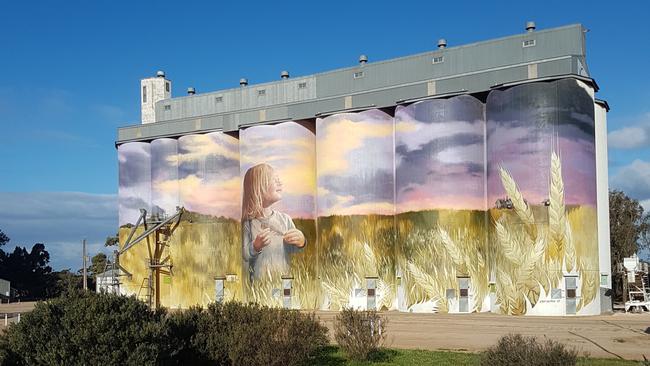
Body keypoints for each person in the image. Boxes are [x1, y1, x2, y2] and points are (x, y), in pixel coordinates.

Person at [242, 163, 305, 281]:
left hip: (283, 282)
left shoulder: (285, 220)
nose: (280, 182)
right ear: (259, 187)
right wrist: (255, 246)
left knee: (285, 299)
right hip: (259, 285)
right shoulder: (248, 225)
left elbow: (293, 250)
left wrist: (301, 242)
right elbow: (244, 255)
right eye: (274, 180)